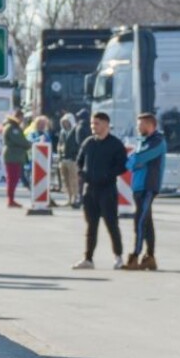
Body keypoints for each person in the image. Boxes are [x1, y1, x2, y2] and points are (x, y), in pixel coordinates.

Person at [72, 112, 127, 270]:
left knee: (111, 224)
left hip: (107, 189)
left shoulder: (115, 144)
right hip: (90, 190)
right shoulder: (88, 143)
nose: (93, 126)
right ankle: (88, 258)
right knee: (91, 225)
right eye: (92, 123)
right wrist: (82, 174)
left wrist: (108, 175)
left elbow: (122, 165)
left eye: (96, 123)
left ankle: (118, 256)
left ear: (105, 124)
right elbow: (79, 161)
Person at [124, 112, 167, 270]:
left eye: (140, 124)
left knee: (140, 221)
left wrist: (135, 162)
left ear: (150, 125)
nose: (137, 127)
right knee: (147, 222)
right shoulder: (143, 141)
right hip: (138, 187)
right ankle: (150, 257)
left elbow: (137, 159)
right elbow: (129, 162)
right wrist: (134, 162)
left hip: (148, 187)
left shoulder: (157, 141)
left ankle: (135, 256)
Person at [2, 108, 32, 208]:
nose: (22, 120)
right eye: (21, 118)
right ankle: (10, 200)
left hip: (14, 156)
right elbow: (20, 141)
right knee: (12, 179)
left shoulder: (11, 127)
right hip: (13, 156)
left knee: (13, 179)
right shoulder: (13, 128)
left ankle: (11, 199)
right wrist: (29, 144)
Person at [57, 113, 82, 207]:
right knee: (65, 180)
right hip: (63, 159)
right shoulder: (62, 132)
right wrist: (59, 151)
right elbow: (59, 143)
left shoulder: (76, 130)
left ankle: (75, 198)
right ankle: (69, 197)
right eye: (64, 122)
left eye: (67, 122)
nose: (66, 124)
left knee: (73, 179)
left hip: (72, 159)